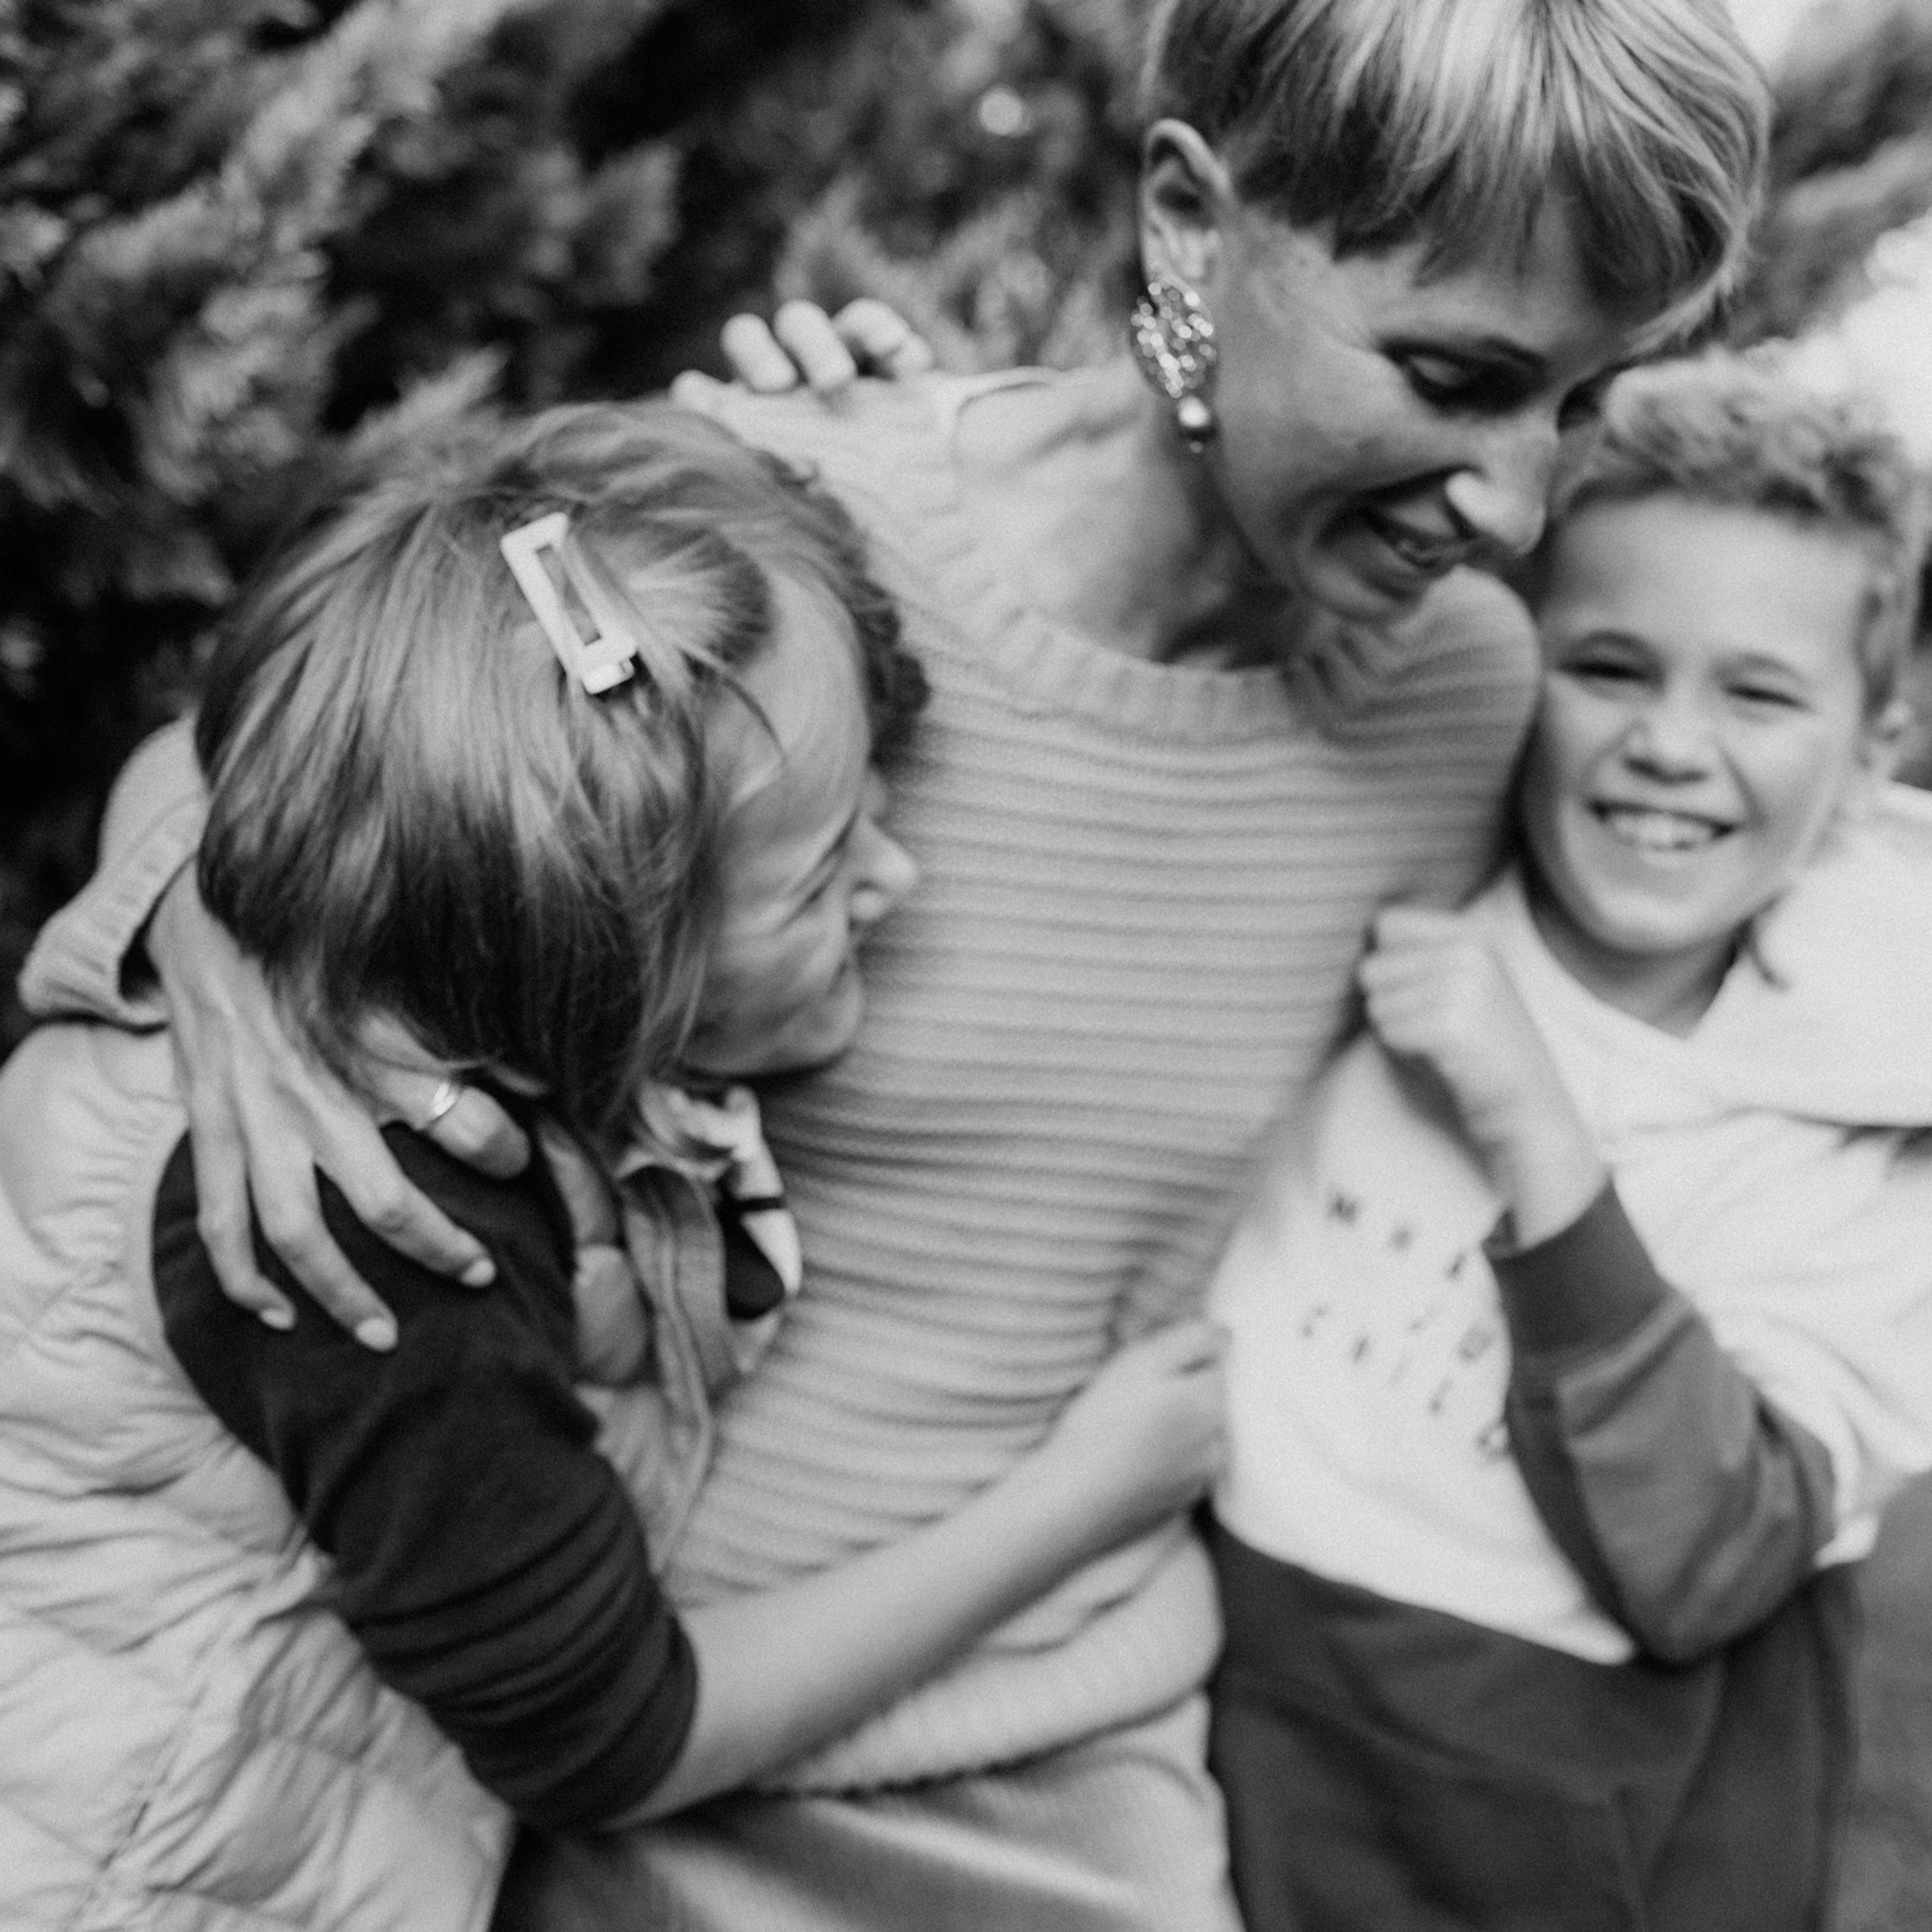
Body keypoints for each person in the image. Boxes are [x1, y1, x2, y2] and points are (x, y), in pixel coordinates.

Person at [18, 3, 1770, 1925]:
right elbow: (275, 776)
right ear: (1188, 218)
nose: (1516, 503)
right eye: (1452, 374)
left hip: (1075, 1769)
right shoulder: (783, 517)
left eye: (1584, 400)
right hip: (594, 1745)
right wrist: (228, 969)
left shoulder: (1464, 692)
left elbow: (1742, 907)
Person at [0, 401, 1228, 1932]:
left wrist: (837, 470)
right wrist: (1077, 1496)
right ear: (610, 962)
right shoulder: (373, 1234)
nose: (894, 878)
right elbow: (610, 1733)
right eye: (826, 862)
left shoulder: (398, 937)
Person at [1207, 353, 1932, 1932]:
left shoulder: (1882, 1098)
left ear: (1872, 741)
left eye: (1755, 692)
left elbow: (1704, 1554)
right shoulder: (1381, 884)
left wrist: (1534, 1123)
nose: (1670, 742)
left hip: (1591, 1862)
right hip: (1226, 1806)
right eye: (1609, 664)